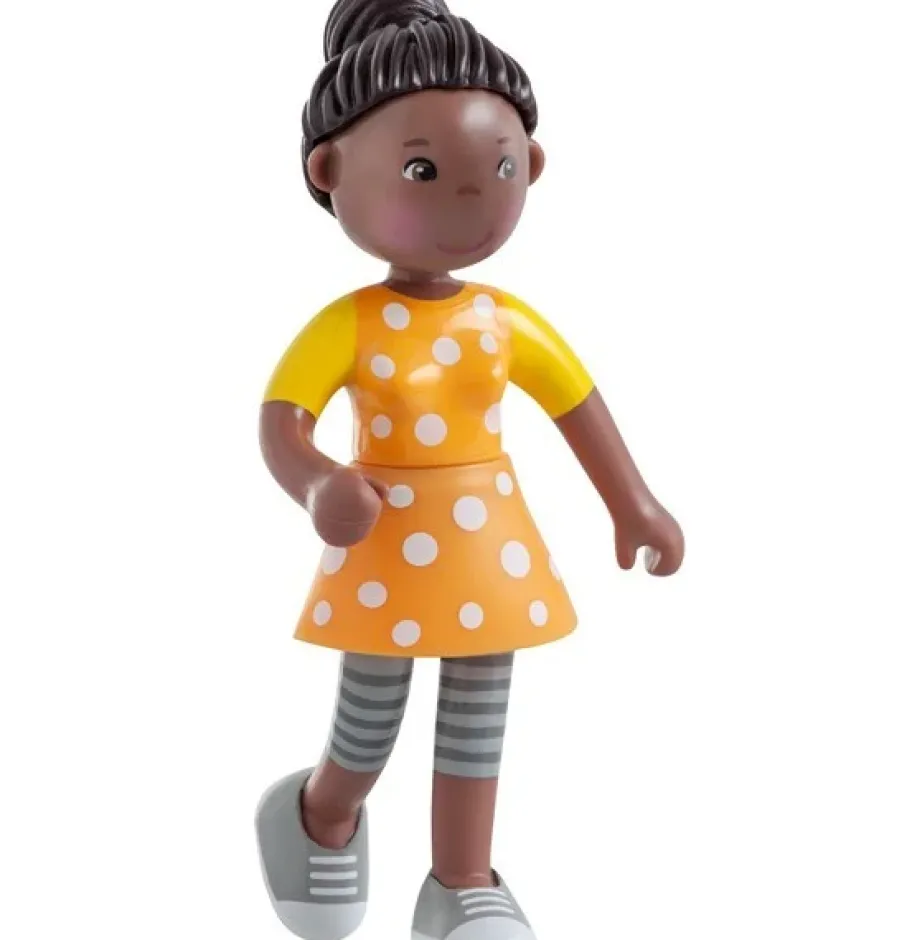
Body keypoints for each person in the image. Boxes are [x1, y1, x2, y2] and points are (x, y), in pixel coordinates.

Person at [255, 1, 685, 937]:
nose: (470, 198)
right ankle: (320, 814)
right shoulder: (348, 325)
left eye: (499, 168)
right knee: (371, 717)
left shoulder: (505, 320)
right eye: (423, 171)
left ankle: (460, 881)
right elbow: (283, 422)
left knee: (477, 723)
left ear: (531, 165)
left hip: (490, 549)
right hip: (382, 544)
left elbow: (577, 406)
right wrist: (319, 480)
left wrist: (635, 504)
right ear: (329, 173)